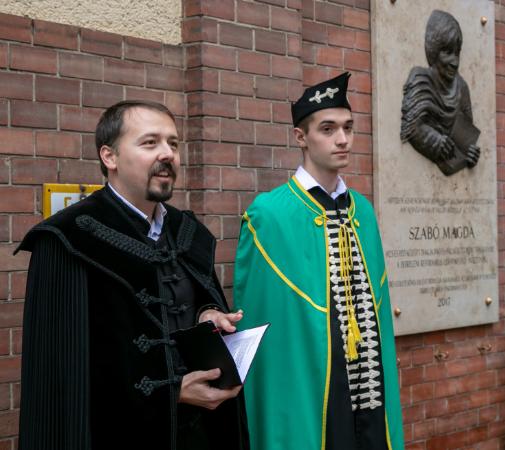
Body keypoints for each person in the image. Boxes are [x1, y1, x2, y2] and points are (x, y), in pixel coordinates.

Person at [16, 100, 249, 450]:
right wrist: (169, 394)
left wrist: (207, 314)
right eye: (150, 142)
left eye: (173, 143)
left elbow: (192, 302)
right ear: (109, 157)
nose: (167, 154)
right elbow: (61, 378)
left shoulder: (186, 232)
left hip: (198, 434)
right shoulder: (68, 239)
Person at [234, 72, 404, 450]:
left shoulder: (363, 210)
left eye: (347, 128)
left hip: (368, 388)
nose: (342, 139)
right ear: (301, 137)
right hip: (309, 389)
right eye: (327, 129)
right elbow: (264, 326)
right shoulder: (269, 215)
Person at [400, 9, 481, 176]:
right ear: (433, 52)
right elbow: (412, 127)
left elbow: (466, 134)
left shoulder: (462, 87)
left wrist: (470, 153)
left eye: (457, 53)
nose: (455, 62)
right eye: (447, 52)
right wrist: (435, 141)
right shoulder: (420, 79)